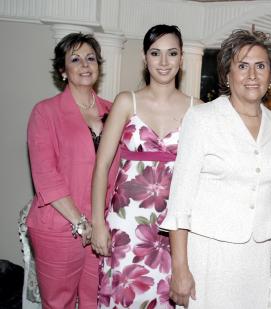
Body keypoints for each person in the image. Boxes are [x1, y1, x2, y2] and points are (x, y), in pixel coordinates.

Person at [159, 29, 271, 308]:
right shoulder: (202, 118)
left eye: (260, 66)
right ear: (227, 76)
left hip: (256, 253)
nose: (252, 75)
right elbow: (180, 198)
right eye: (242, 66)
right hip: (210, 252)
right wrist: (180, 268)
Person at [91, 24, 202, 308]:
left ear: (181, 59)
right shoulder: (127, 102)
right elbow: (101, 165)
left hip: (175, 229)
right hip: (126, 224)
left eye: (172, 53)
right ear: (145, 58)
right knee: (125, 294)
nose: (164, 62)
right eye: (156, 53)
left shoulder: (199, 110)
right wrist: (97, 223)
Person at [26, 32, 118, 309]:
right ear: (62, 71)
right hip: (59, 226)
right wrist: (80, 222)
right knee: (59, 304)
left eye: (91, 58)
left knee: (96, 301)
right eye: (75, 59)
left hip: (101, 227)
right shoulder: (45, 112)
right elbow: (46, 177)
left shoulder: (114, 111)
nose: (85, 65)